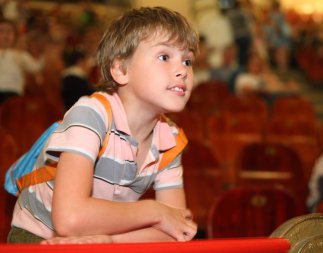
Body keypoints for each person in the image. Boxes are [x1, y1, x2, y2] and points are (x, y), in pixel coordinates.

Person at [7, 6, 198, 244]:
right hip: (40, 237)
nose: (182, 70)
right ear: (120, 69)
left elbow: (176, 232)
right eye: (164, 57)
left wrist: (109, 240)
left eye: (188, 60)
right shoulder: (91, 115)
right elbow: (69, 218)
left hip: (102, 238)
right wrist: (156, 212)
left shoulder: (170, 138)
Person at [0, 17, 44, 103]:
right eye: (1, 31)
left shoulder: (21, 55)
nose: (5, 35)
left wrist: (42, 54)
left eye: (9, 32)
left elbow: (36, 67)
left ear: (15, 36)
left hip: (13, 94)